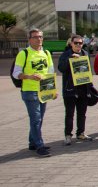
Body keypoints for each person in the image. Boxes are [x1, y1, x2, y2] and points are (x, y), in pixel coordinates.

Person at [13, 28, 56, 157]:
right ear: (29, 39)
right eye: (36, 37)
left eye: (41, 37)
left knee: (39, 118)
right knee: (36, 118)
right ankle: (39, 145)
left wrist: (52, 90)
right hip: (30, 91)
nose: (39, 39)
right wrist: (30, 76)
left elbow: (50, 73)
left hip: (43, 90)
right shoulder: (24, 54)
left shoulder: (46, 53)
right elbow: (16, 73)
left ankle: (32, 142)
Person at [58, 34, 94, 144]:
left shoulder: (85, 54)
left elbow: (88, 71)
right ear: (71, 44)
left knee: (82, 113)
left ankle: (81, 133)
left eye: (80, 43)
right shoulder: (66, 54)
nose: (78, 45)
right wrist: (70, 60)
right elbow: (61, 68)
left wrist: (90, 87)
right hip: (70, 89)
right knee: (70, 114)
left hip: (83, 88)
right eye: (76, 43)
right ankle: (68, 135)